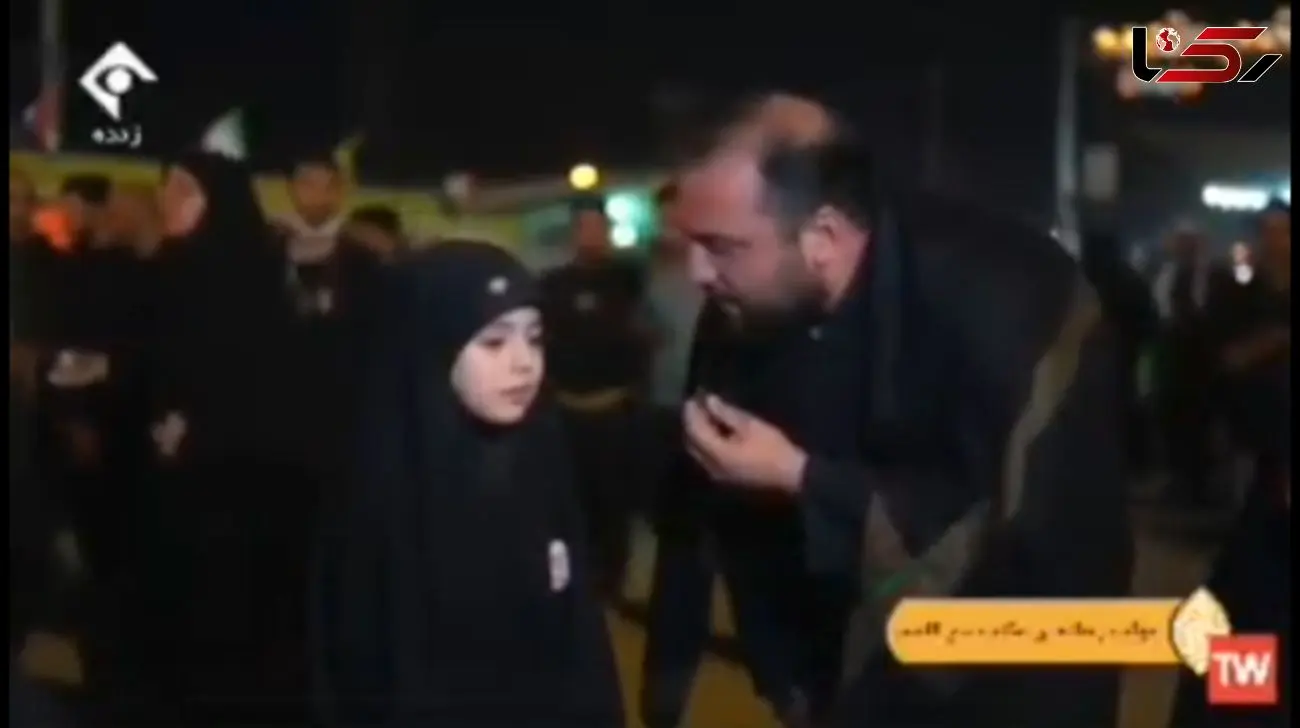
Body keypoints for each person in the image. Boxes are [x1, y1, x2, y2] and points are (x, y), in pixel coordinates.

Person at [644, 94, 1132, 728]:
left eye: (720, 246)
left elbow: (1009, 544)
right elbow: (698, 522)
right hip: (827, 680)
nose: (698, 273)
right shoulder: (741, 310)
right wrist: (680, 690)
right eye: (689, 244)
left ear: (822, 236)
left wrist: (802, 478)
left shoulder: (1012, 301)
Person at [311, 240, 623, 728]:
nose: (524, 363)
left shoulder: (541, 460)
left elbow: (579, 635)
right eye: (494, 342)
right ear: (433, 347)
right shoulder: (377, 497)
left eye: (535, 338)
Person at [144, 148, 314, 726]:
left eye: (183, 190)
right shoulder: (172, 268)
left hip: (243, 484)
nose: (166, 200)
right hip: (182, 481)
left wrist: (195, 424)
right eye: (166, 187)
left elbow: (258, 385)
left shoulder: (249, 277)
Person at [540, 196, 653, 596]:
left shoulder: (630, 279)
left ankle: (613, 583)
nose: (590, 235)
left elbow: (648, 336)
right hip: (566, 411)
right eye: (583, 227)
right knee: (573, 501)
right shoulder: (552, 285)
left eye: (597, 227)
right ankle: (578, 581)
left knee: (614, 504)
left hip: (614, 411)